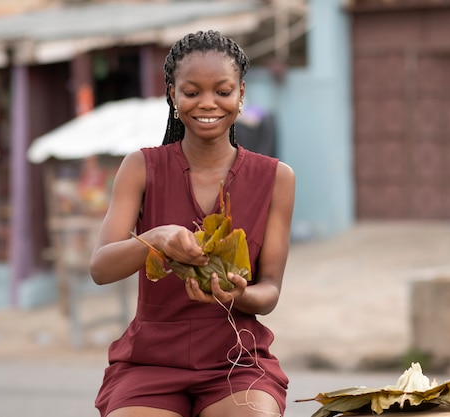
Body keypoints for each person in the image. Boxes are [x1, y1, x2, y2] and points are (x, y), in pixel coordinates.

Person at [89, 30, 296, 417]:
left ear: (241, 94)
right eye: (191, 92)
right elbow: (100, 268)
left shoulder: (277, 177)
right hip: (150, 362)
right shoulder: (140, 167)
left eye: (222, 91)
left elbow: (269, 291)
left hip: (236, 362)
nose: (207, 104)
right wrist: (156, 238)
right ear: (172, 94)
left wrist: (240, 295)